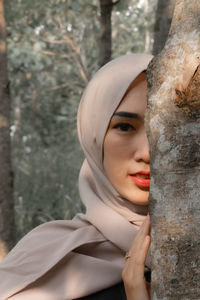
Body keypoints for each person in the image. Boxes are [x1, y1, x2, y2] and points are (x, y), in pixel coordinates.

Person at [0, 53, 153, 300]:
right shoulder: (48, 255)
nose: (146, 153)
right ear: (93, 135)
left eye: (163, 130)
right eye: (124, 127)